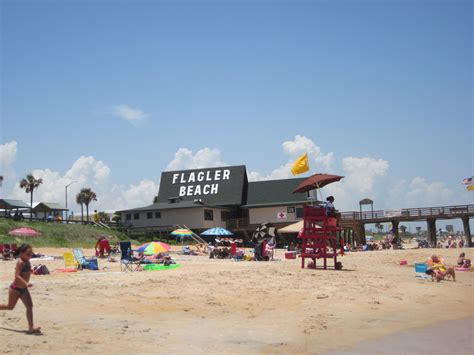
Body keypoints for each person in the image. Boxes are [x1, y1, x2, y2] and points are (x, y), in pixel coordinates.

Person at [0, 244, 41, 334]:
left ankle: (31, 327)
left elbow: (26, 273)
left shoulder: (28, 262)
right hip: (15, 289)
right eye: (28, 254)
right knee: (10, 307)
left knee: (29, 306)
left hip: (23, 289)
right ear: (21, 253)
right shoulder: (20, 262)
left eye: (31, 253)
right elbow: (17, 276)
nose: (30, 255)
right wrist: (26, 283)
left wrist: (31, 272)